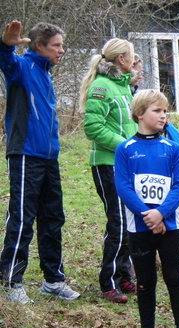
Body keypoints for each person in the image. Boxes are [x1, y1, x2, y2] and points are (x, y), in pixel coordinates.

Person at [115, 89, 179, 328]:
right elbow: (123, 187)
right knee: (145, 282)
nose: (163, 115)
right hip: (139, 227)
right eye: (157, 110)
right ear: (140, 114)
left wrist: (161, 213)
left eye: (165, 111)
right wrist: (147, 216)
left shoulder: (172, 149)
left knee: (174, 278)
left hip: (170, 225)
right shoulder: (125, 149)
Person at [0, 20, 80, 303]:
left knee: (53, 218)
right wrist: (6, 44)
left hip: (49, 158)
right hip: (25, 155)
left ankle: (53, 280)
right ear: (39, 46)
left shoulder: (46, 73)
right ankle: (12, 282)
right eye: (56, 45)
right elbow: (6, 61)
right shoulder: (23, 68)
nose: (62, 50)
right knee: (22, 219)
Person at [79, 38, 137, 304]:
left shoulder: (123, 87)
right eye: (132, 55)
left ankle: (123, 274)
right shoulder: (101, 86)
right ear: (121, 59)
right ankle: (108, 282)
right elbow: (92, 128)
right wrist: (125, 145)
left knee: (129, 221)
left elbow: (128, 125)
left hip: (126, 164)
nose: (135, 59)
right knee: (118, 222)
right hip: (106, 164)